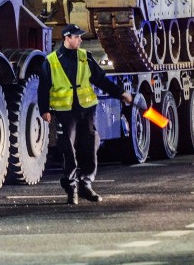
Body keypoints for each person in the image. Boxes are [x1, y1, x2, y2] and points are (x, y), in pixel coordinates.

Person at [38, 24, 133, 205]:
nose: (81, 40)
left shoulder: (85, 58)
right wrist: (45, 110)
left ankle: (86, 184)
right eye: (77, 37)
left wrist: (120, 93)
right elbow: (44, 87)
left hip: (86, 110)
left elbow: (101, 79)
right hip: (64, 112)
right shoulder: (51, 61)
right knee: (68, 149)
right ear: (67, 38)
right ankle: (71, 186)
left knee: (89, 147)